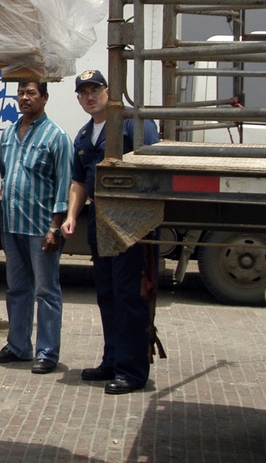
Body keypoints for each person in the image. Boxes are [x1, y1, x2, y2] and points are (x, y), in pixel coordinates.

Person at [61, 69, 159, 395]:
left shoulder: (133, 124)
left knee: (130, 296)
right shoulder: (84, 135)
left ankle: (132, 371)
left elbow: (153, 161)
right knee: (108, 295)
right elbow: (78, 181)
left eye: (95, 89)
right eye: (83, 92)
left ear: (108, 90)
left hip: (131, 221)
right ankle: (113, 360)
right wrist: (72, 216)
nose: (90, 97)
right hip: (99, 220)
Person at [0, 82, 73, 374]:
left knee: (47, 291)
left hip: (41, 229)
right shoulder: (8, 134)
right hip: (12, 226)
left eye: (31, 93)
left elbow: (64, 185)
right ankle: (18, 346)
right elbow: (5, 174)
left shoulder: (57, 137)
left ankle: (47, 352)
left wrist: (55, 228)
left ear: (45, 98)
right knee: (17, 289)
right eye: (21, 93)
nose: (24, 98)